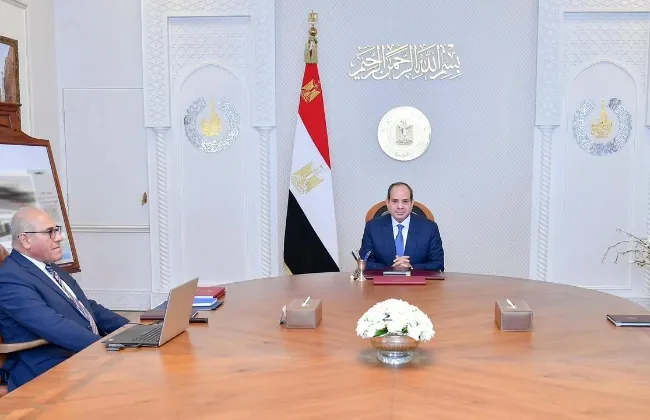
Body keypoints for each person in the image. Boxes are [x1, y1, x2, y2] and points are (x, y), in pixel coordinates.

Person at [0, 207, 129, 392]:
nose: (59, 237)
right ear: (26, 240)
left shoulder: (48, 267)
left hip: (81, 354)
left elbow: (87, 307)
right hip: (50, 366)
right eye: (50, 232)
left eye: (57, 230)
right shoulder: (10, 278)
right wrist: (104, 347)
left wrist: (132, 329)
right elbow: (52, 325)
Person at [360, 182, 444, 271]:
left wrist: (412, 268)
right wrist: (391, 269)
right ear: (387, 202)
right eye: (395, 201)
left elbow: (438, 264)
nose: (400, 206)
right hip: (383, 279)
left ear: (412, 203)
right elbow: (365, 262)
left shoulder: (430, 228)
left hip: (417, 279)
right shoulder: (372, 227)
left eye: (405, 201)